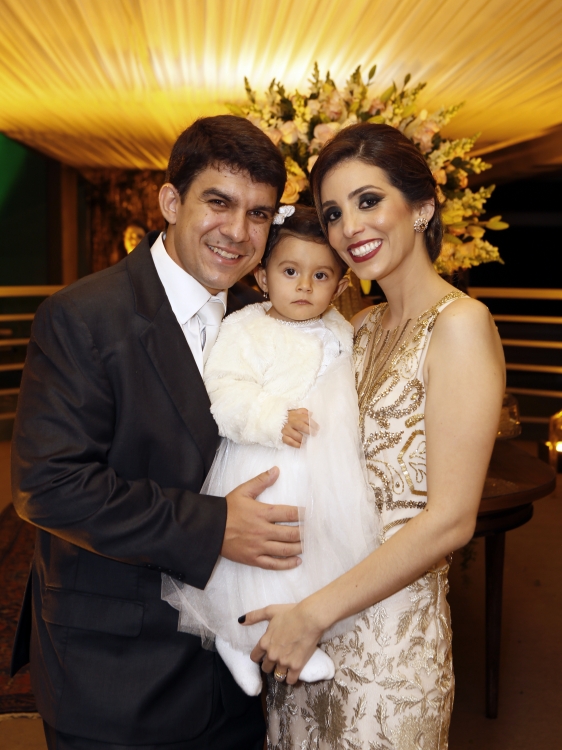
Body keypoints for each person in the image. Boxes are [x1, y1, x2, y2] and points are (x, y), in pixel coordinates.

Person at [10, 115, 300, 750]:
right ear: (171, 201)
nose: (238, 231)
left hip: (238, 675)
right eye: (218, 202)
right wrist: (215, 526)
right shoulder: (81, 316)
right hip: (116, 673)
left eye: (258, 213)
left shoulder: (261, 317)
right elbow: (49, 486)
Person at [242, 123, 505, 749]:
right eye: (334, 212)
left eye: (368, 200)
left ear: (422, 206)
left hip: (390, 652)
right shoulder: (357, 328)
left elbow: (450, 521)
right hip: (307, 636)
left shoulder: (461, 325)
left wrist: (313, 614)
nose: (349, 227)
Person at [162, 205, 378, 696]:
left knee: (314, 553)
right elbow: (224, 392)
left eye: (320, 275)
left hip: (325, 466)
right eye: (290, 271)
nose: (304, 286)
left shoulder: (341, 331)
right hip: (267, 459)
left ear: (340, 286)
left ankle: (293, 627)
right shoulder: (246, 327)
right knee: (258, 558)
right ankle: (235, 636)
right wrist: (273, 418)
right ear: (262, 277)